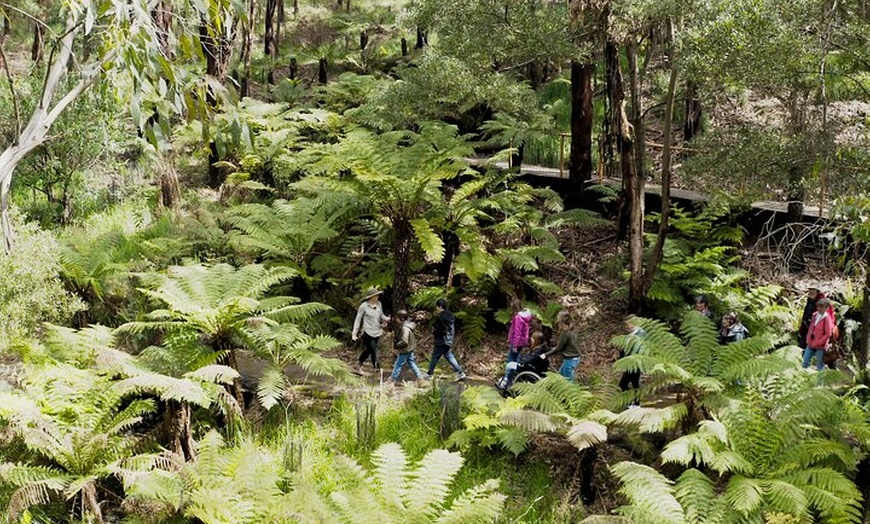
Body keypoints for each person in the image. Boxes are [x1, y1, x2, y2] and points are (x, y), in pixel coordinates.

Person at [352, 288, 390, 374]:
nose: (378, 296)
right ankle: (377, 369)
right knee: (374, 350)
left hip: (377, 331)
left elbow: (381, 315)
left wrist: (387, 318)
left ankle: (358, 364)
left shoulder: (379, 304)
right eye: (376, 295)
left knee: (369, 350)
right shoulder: (363, 306)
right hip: (367, 332)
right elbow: (357, 320)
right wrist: (354, 333)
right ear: (371, 297)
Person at [427, 298, 467, 381]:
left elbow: (440, 330)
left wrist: (434, 331)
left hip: (441, 340)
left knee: (435, 356)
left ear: (441, 306)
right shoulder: (449, 316)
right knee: (449, 356)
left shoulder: (441, 318)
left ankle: (429, 374)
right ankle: (460, 373)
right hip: (448, 340)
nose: (436, 309)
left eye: (437, 307)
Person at [390, 310, 427, 384]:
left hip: (405, 349)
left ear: (402, 319)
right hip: (409, 348)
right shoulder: (408, 325)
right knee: (411, 363)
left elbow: (404, 341)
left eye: (397, 318)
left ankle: (392, 380)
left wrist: (397, 345)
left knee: (398, 364)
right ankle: (420, 379)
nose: (396, 319)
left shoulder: (405, 328)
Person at [542, 310, 580, 380]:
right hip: (574, 359)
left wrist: (545, 355)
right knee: (559, 377)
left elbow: (558, 348)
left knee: (567, 383)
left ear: (562, 322)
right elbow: (565, 345)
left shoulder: (565, 333)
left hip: (570, 360)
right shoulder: (573, 329)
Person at [802, 298, 835, 371]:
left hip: (820, 347)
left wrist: (819, 342)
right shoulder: (815, 315)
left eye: (821, 307)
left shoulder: (827, 319)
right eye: (818, 307)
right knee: (804, 362)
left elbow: (828, 333)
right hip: (810, 344)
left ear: (826, 308)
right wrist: (808, 339)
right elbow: (811, 328)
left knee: (819, 366)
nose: (819, 309)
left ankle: (820, 382)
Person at [618, 316, 646, 394]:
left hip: (635, 362)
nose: (626, 327)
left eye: (628, 324)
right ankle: (634, 404)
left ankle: (632, 403)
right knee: (634, 384)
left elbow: (640, 348)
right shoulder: (632, 333)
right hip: (630, 362)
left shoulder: (641, 333)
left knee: (623, 384)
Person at [507, 298, 535, 365]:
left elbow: (517, 332)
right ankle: (515, 374)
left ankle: (508, 375)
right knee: (517, 358)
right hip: (522, 342)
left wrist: (515, 345)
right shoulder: (525, 316)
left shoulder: (518, 318)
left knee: (511, 360)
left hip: (517, 342)